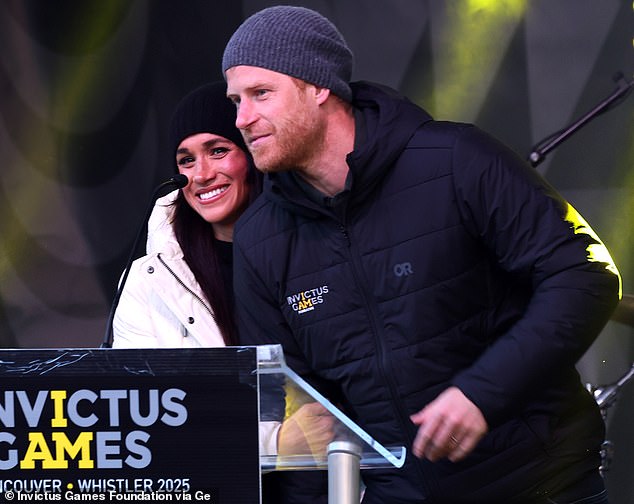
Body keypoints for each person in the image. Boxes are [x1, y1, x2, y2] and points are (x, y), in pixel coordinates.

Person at [222, 6, 622, 504]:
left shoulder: (455, 159)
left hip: (545, 486)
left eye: (262, 94)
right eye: (236, 100)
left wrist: (482, 393)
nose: (242, 119)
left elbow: (583, 275)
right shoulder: (261, 237)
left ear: (319, 86)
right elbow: (299, 413)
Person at [111, 82, 333, 500]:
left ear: (251, 154)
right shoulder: (148, 281)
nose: (202, 175)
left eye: (217, 150)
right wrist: (273, 448)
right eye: (186, 160)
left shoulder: (318, 246)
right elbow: (140, 429)